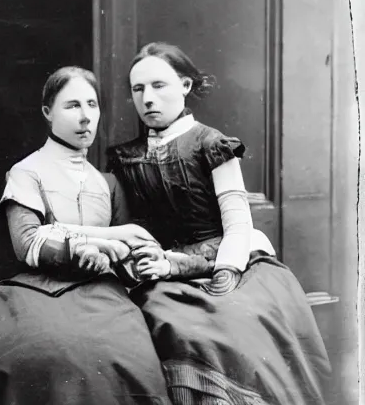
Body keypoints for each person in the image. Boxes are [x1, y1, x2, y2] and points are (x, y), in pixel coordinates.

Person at [108, 42, 332, 405]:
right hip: (162, 273)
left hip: (231, 262)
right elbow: (132, 226)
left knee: (236, 325)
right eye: (138, 89)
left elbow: (238, 227)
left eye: (159, 85)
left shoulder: (212, 144)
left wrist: (220, 271)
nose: (148, 98)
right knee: (168, 327)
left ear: (184, 85)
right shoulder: (127, 157)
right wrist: (155, 261)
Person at [0, 66, 171, 405]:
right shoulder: (26, 172)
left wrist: (134, 257)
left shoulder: (107, 183)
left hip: (102, 295)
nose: (86, 117)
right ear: (47, 113)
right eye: (73, 106)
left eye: (92, 105)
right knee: (49, 351)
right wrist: (90, 246)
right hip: (35, 292)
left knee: (127, 355)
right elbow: (27, 243)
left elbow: (125, 252)